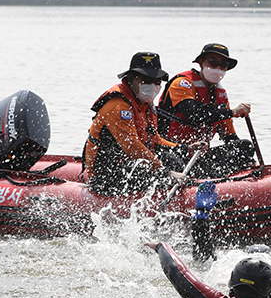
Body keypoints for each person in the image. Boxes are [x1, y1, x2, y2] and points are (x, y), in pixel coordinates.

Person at [82, 52, 203, 196]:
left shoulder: (145, 103)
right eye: (146, 80)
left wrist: (184, 148)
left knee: (172, 159)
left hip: (129, 164)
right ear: (131, 78)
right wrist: (166, 173)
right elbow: (132, 146)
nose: (152, 86)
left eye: (157, 82)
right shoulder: (118, 105)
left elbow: (154, 138)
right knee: (157, 177)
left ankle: (190, 190)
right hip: (105, 173)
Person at [157, 43, 255, 178]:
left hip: (199, 156)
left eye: (223, 65)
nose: (218, 68)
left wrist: (246, 159)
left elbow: (229, 137)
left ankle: (213, 179)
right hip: (172, 151)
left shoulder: (220, 94)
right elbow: (195, 115)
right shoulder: (183, 83)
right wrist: (231, 112)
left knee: (245, 146)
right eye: (213, 63)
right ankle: (200, 180)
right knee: (175, 162)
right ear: (201, 62)